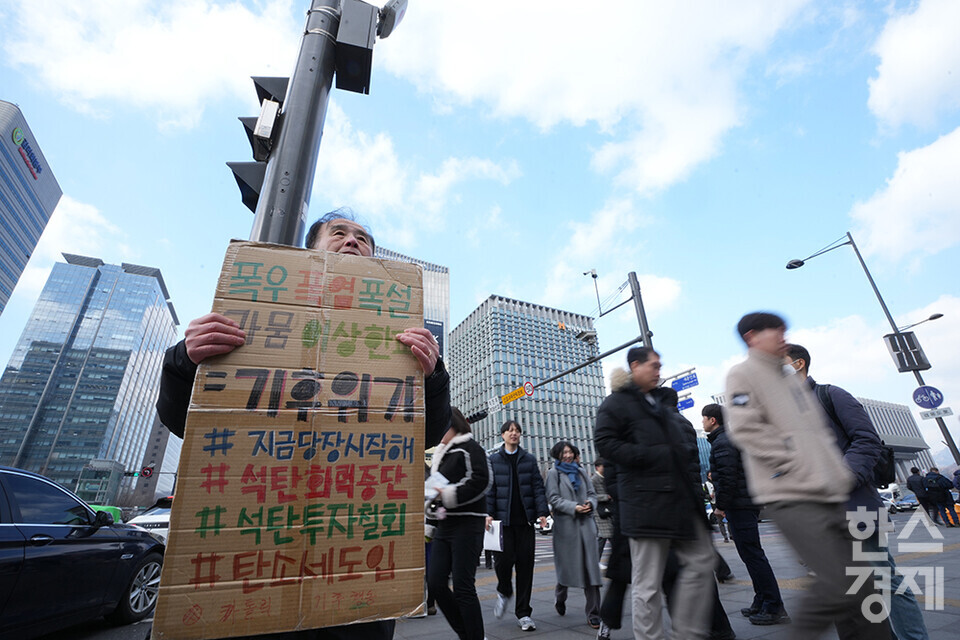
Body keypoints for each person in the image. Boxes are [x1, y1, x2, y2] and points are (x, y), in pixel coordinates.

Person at [154, 210, 451, 640]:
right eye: (340, 233)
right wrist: (184, 360)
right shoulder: (256, 317)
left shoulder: (404, 341)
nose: (353, 241)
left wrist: (434, 377)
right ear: (310, 253)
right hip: (258, 566)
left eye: (363, 238)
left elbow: (421, 436)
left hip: (353, 577)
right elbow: (187, 421)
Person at [724, 312, 889, 640]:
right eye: (777, 332)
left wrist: (837, 475)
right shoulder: (741, 375)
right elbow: (745, 429)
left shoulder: (789, 379)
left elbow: (817, 436)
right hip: (791, 494)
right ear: (752, 337)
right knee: (837, 582)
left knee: (865, 589)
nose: (784, 337)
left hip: (830, 492)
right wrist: (794, 463)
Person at [787, 343, 929, 640]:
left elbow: (866, 440)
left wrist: (842, 477)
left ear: (798, 364)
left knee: (884, 579)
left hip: (854, 506)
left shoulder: (830, 395)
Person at [595, 347, 715, 640]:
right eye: (654, 365)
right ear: (635, 366)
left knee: (701, 564)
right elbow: (605, 443)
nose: (659, 371)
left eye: (660, 366)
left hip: (676, 502)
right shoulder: (616, 403)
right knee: (647, 583)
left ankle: (686, 633)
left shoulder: (655, 403)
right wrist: (650, 455)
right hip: (644, 503)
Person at [703, 402, 788, 626]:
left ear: (713, 420)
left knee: (753, 556)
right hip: (742, 504)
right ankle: (761, 600)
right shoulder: (725, 440)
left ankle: (774, 606)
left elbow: (729, 478)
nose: (702, 422)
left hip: (740, 506)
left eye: (703, 418)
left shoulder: (723, 442)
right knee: (750, 556)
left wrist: (720, 506)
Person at [426, 408, 492, 640]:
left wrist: (448, 494)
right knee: (435, 582)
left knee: (464, 586)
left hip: (468, 523)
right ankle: (468, 633)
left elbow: (482, 480)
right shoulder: (440, 455)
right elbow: (435, 493)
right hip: (444, 525)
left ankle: (472, 636)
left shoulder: (471, 447)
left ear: (453, 424)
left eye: (442, 425)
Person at [486, 420, 550, 632]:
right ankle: (504, 590)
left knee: (525, 569)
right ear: (502, 435)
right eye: (509, 430)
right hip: (502, 525)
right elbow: (490, 490)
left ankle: (524, 613)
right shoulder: (494, 460)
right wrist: (488, 514)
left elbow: (538, 488)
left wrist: (542, 513)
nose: (514, 433)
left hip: (524, 523)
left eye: (517, 430)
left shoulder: (529, 460)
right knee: (502, 564)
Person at [546, 441, 603, 629]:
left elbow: (592, 494)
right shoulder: (553, 473)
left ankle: (594, 612)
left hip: (586, 526)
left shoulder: (581, 471)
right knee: (567, 569)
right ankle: (560, 597)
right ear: (558, 455)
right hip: (566, 528)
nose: (568, 455)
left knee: (591, 570)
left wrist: (589, 504)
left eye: (570, 452)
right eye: (564, 453)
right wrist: (573, 507)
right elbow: (553, 498)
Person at [591, 458, 614, 560]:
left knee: (605, 536)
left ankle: (596, 561)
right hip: (600, 512)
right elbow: (591, 496)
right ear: (597, 467)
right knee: (606, 536)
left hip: (608, 510)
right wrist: (606, 497)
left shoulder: (606, 478)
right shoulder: (593, 480)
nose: (605, 468)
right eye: (603, 466)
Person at [704, 472, 729, 542]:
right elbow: (705, 494)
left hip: (722, 501)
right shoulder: (707, 484)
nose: (711, 477)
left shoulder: (719, 481)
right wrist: (709, 496)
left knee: (728, 518)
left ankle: (731, 535)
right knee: (720, 520)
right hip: (714, 503)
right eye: (709, 476)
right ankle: (725, 536)